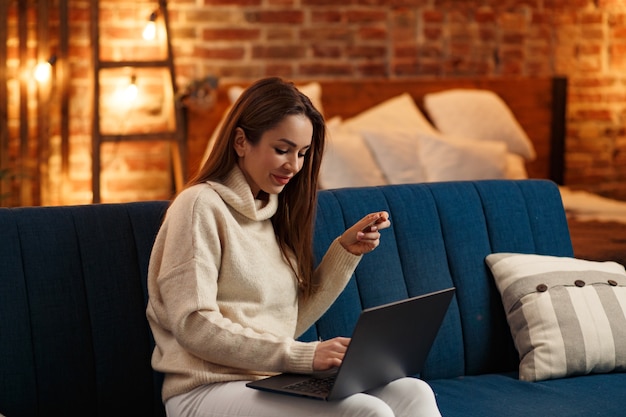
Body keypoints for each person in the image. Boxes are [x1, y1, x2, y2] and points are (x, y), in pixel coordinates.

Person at [146, 77, 442, 417]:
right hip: (205, 391)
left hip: (268, 381)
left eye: (302, 153)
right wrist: (304, 356)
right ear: (241, 141)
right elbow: (194, 325)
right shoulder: (199, 205)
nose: (295, 166)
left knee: (413, 392)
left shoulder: (271, 213)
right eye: (282, 149)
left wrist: (343, 254)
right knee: (365, 412)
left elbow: (285, 322)